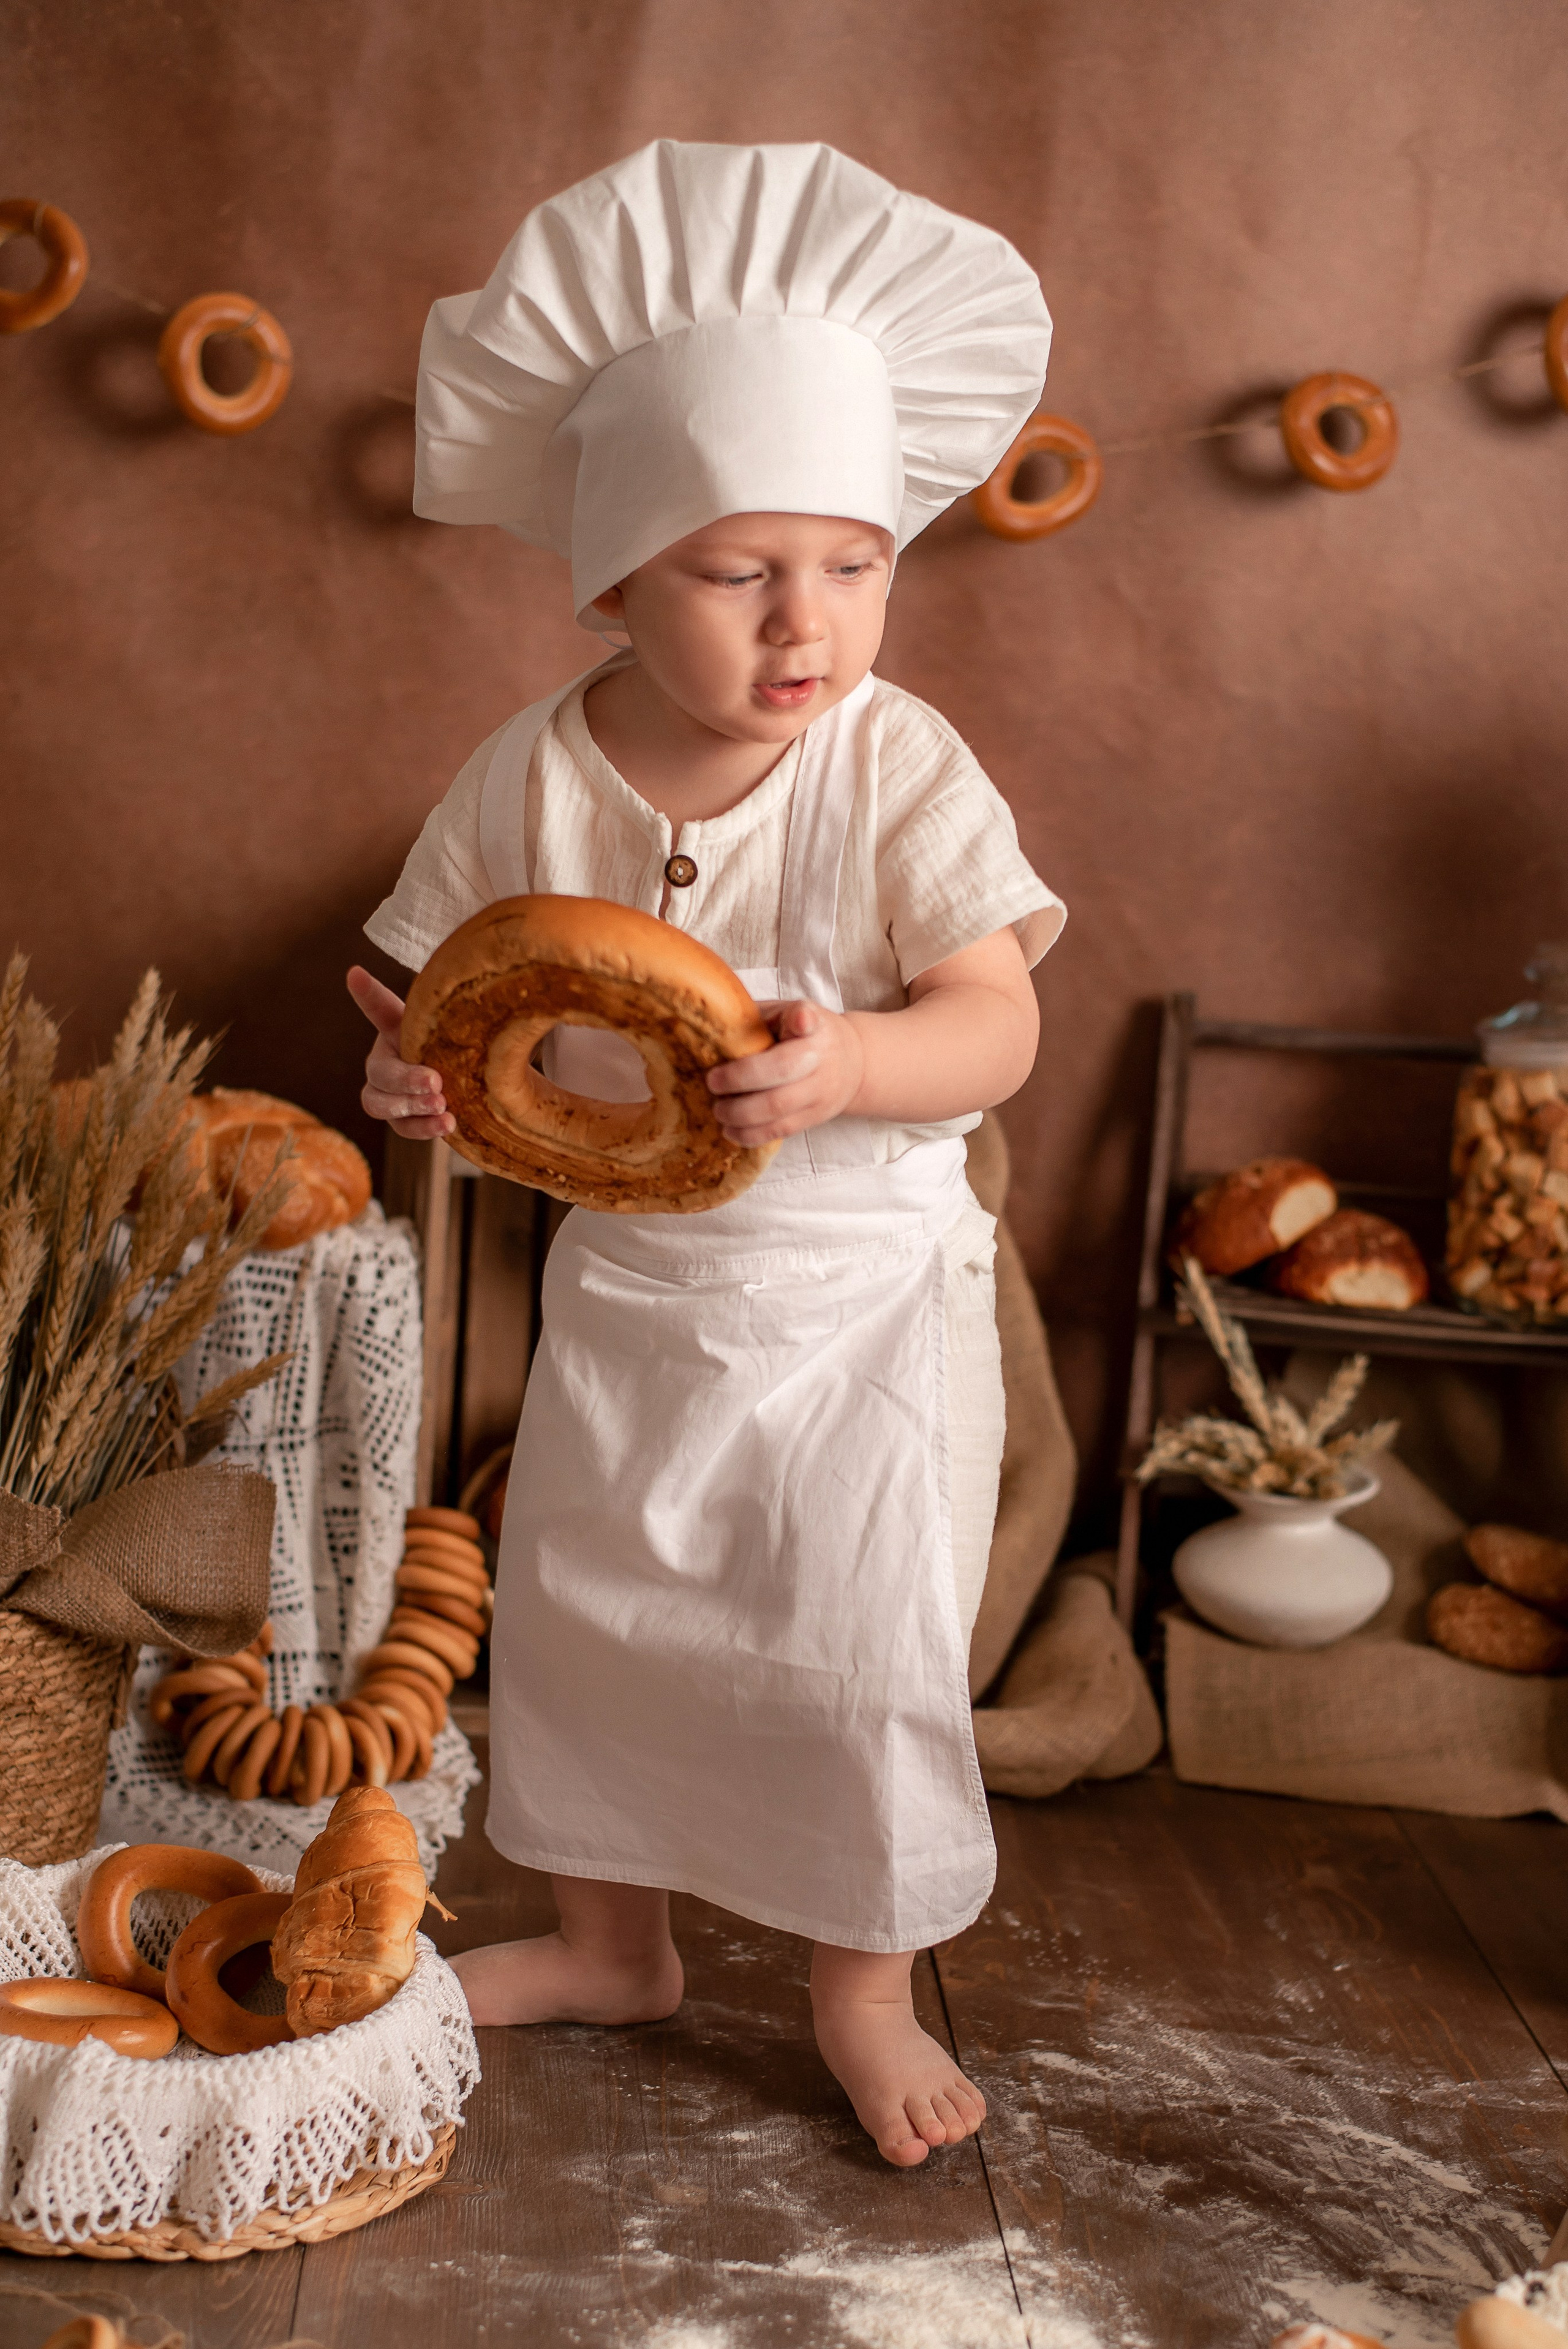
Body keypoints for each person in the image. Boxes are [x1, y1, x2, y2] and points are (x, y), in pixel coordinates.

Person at [349, 140, 1063, 2168]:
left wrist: (859, 1065)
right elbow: (424, 990)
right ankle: (613, 1939)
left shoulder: (894, 762)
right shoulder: (534, 771)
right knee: (597, 1609)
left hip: (850, 1306)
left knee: (849, 1634)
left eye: (852, 562)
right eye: (740, 571)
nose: (805, 620)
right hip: (638, 1290)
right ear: (614, 577)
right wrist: (416, 1083)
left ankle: (857, 1983)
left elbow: (1000, 1016)